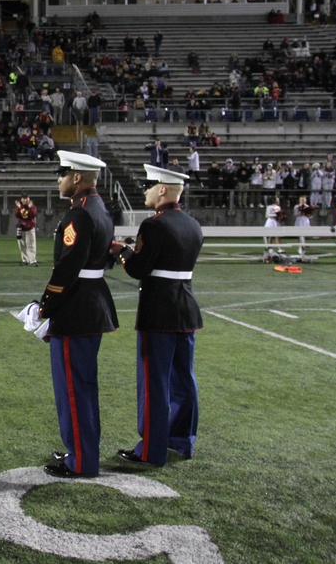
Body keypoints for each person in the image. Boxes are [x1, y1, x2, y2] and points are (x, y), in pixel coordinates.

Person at [30, 150, 118, 478]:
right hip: (90, 304)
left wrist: (45, 306)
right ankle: (81, 450)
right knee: (82, 385)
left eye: (62, 173)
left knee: (73, 388)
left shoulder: (79, 214)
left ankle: (80, 459)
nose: (59, 179)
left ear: (77, 177)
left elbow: (68, 268)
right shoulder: (99, 209)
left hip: (76, 307)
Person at [110, 165, 203, 467]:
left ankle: (150, 450)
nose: (146, 191)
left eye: (150, 185)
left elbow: (138, 268)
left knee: (154, 384)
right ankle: (182, 441)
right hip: (185, 310)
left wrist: (121, 251)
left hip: (159, 311)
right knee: (184, 380)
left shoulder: (154, 225)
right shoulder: (193, 224)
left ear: (162, 189)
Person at [14, 194, 38, 265]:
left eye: (26, 198)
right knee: (22, 245)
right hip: (21, 228)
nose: (25, 200)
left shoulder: (32, 207)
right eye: (23, 198)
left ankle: (33, 260)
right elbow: (16, 214)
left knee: (31, 244)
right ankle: (25, 260)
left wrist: (29, 208)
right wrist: (19, 208)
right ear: (21, 199)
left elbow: (33, 214)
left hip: (29, 228)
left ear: (29, 199)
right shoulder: (19, 206)